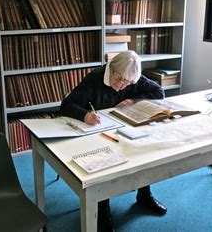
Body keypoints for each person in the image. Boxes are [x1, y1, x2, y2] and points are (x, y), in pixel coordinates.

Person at [60, 50, 167, 232]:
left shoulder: (130, 76)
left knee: (143, 148)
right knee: (103, 160)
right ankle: (102, 210)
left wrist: (134, 99)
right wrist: (85, 115)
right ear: (112, 68)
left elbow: (159, 92)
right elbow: (66, 106)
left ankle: (144, 194)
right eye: (119, 79)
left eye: (128, 83)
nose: (121, 85)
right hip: (97, 134)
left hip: (124, 129)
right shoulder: (94, 80)